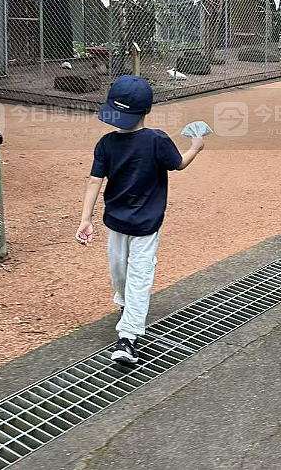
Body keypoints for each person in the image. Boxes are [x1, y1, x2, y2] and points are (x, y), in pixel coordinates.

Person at [75, 75, 205, 364]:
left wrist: (195, 148)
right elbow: (96, 180)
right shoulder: (115, 143)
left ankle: (128, 337)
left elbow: (176, 164)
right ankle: (126, 304)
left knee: (138, 275)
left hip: (146, 225)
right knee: (119, 272)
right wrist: (86, 219)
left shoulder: (147, 140)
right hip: (117, 222)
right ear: (146, 111)